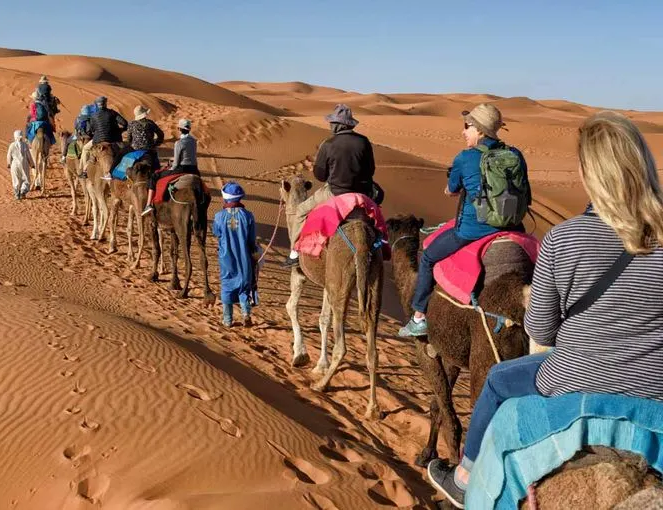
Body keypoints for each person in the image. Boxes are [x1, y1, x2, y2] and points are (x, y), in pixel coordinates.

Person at [427, 111, 663, 509]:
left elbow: (541, 329)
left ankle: (465, 478)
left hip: (574, 376)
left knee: (498, 380)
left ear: (590, 173)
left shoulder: (562, 239)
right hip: (655, 385)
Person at [398, 103, 529, 337]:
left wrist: (452, 189)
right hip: (514, 226)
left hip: (472, 230)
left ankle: (418, 317)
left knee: (427, 258)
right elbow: (526, 194)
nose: (463, 131)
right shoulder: (515, 155)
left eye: (467, 126)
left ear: (479, 130)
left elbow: (452, 189)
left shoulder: (465, 158)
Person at [282, 104, 376, 267]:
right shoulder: (364, 142)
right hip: (362, 193)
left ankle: (294, 253)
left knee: (301, 211)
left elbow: (320, 175)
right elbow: (371, 170)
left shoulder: (329, 144)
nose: (331, 125)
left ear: (339, 125)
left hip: (335, 192)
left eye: (333, 123)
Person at [213, 182, 258, 327]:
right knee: (244, 285)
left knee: (227, 285)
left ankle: (227, 320)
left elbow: (216, 233)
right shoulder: (248, 216)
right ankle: (246, 314)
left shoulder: (218, 216)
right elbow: (252, 239)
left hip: (226, 257)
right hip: (244, 257)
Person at [141, 118, 199, 216]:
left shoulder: (179, 143)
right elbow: (188, 155)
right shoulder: (193, 141)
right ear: (189, 129)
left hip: (182, 169)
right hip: (194, 169)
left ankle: (148, 204)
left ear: (179, 129)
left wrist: (170, 167)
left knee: (154, 176)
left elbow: (176, 164)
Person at [80, 96, 127, 178]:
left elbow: (90, 130)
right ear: (105, 103)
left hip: (98, 141)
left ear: (97, 105)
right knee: (126, 153)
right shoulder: (112, 113)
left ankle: (85, 171)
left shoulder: (93, 115)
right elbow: (124, 123)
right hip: (114, 140)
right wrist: (119, 130)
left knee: (87, 150)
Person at [126, 104, 165, 169]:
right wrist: (156, 143)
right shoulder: (150, 123)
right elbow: (161, 134)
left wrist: (132, 144)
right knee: (156, 168)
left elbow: (129, 139)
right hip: (149, 149)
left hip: (135, 149)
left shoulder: (131, 124)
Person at [6, 130, 33, 199]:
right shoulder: (25, 145)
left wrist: (9, 163)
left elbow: (9, 155)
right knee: (25, 179)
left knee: (16, 179)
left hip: (14, 164)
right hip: (24, 164)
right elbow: (29, 155)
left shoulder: (12, 145)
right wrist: (32, 164)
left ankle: (17, 193)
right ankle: (23, 192)